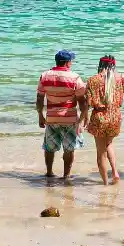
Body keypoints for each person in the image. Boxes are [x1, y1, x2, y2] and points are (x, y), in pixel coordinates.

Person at [82, 55, 124, 185]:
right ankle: (115, 172)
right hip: (115, 117)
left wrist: (85, 118)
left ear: (100, 65)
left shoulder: (92, 80)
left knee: (101, 153)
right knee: (108, 143)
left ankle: (105, 184)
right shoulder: (120, 78)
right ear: (113, 66)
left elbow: (87, 102)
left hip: (99, 117)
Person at [36, 50, 88, 179]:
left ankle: (49, 172)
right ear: (67, 62)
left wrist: (40, 116)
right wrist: (83, 119)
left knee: (49, 147)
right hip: (70, 118)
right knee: (69, 148)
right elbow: (82, 102)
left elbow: (39, 98)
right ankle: (66, 175)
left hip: (51, 117)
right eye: (71, 61)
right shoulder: (74, 77)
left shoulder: (44, 76)